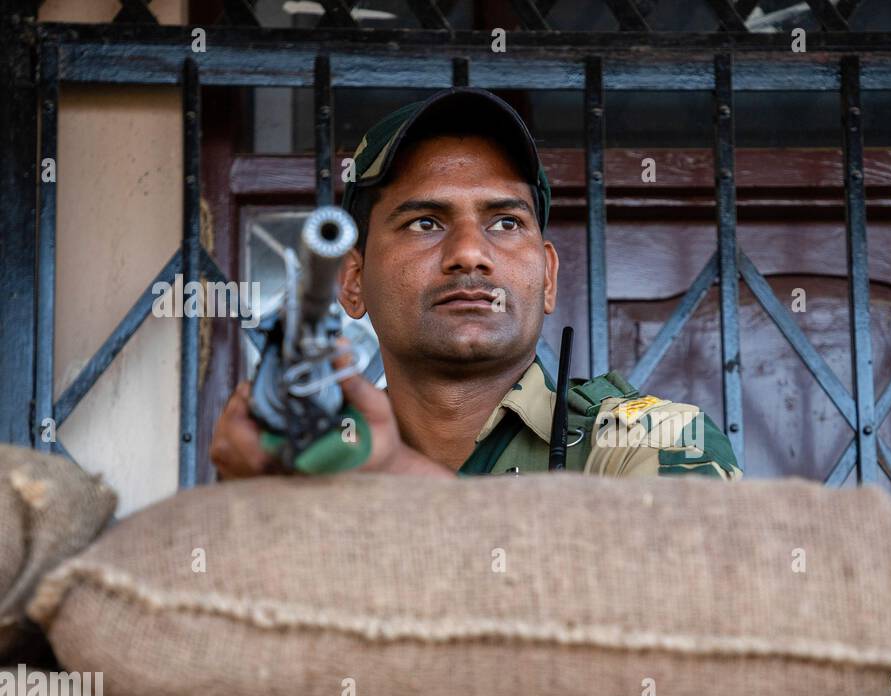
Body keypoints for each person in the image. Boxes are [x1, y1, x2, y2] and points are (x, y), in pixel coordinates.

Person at [212, 87, 741, 481]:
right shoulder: (318, 454)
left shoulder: (648, 442)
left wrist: (391, 476)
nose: (469, 252)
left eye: (506, 222)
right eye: (425, 222)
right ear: (352, 281)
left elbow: (680, 610)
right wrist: (263, 508)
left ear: (549, 276)